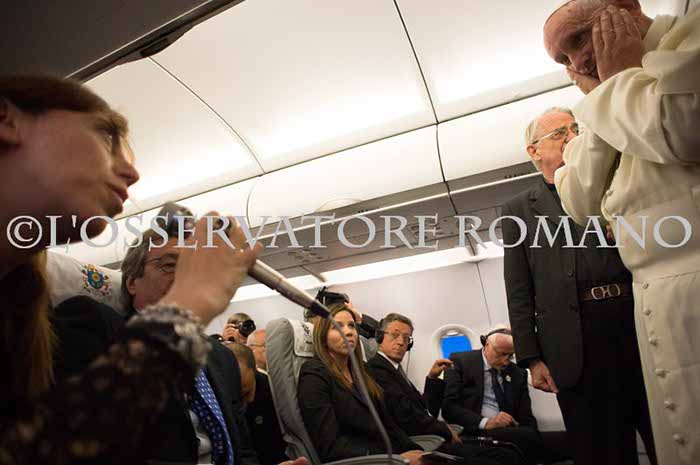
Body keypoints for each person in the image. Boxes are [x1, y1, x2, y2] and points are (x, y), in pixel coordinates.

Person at [0, 75, 261, 464]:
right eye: (108, 137)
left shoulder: (21, 308)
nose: (133, 173)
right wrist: (190, 303)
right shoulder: (85, 322)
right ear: (6, 119)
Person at [544, 1, 700, 463]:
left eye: (578, 39)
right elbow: (579, 200)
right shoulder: (605, 101)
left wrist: (616, 82)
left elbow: (681, 128)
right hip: (651, 297)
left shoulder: (686, 37)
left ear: (626, 7)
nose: (576, 62)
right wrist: (604, 93)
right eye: (563, 59)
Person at [503, 106, 655, 465]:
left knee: (667, 434)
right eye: (559, 133)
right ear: (534, 151)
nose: (572, 136)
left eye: (575, 129)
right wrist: (531, 358)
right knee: (600, 450)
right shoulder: (519, 209)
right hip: (573, 342)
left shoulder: (611, 184)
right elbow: (518, 289)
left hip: (633, 319)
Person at [53, 228, 266, 465]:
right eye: (169, 265)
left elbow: (243, 449)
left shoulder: (222, 356)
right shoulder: (97, 325)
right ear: (132, 282)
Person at [367, 313, 522, 465]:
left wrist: (432, 379)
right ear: (380, 337)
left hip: (431, 437)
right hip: (418, 444)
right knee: (502, 458)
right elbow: (406, 415)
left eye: (406, 338)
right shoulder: (377, 370)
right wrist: (444, 429)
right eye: (395, 335)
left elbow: (427, 410)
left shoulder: (395, 370)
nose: (401, 342)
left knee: (508, 454)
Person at [297, 304, 424, 465]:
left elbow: (388, 425)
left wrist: (416, 450)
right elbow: (331, 446)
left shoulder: (361, 371)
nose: (349, 332)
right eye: (337, 327)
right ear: (322, 336)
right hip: (365, 460)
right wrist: (395, 458)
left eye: (351, 325)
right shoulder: (314, 374)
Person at [442, 329, 544, 465]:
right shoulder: (460, 362)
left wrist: (532, 433)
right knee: (527, 438)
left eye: (510, 356)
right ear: (487, 345)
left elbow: (526, 416)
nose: (505, 361)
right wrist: (486, 422)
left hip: (509, 429)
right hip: (474, 430)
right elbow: (449, 408)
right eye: (501, 354)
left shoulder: (518, 373)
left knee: (558, 440)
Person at [230, 340, 289, 465]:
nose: (248, 400)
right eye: (239, 396)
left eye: (248, 392)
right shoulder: (219, 399)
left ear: (254, 368)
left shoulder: (273, 391)